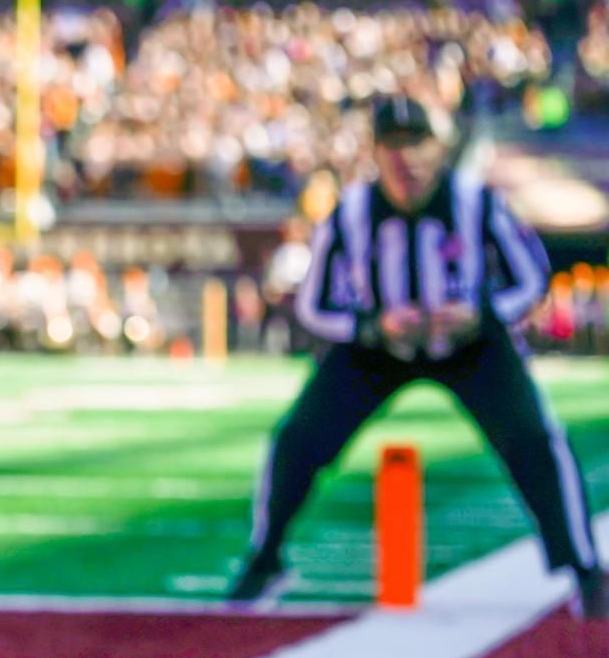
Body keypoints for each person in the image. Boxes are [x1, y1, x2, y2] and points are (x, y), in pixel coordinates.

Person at [231, 96, 604, 617]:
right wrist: (371, 325)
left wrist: (481, 314)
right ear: (376, 152)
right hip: (376, 350)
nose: (405, 157)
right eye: (392, 144)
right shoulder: (351, 212)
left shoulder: (478, 203)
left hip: (474, 347)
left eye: (416, 142)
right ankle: (264, 558)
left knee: (536, 441)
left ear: (439, 147)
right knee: (297, 439)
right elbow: (314, 304)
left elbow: (531, 277)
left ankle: (585, 569)